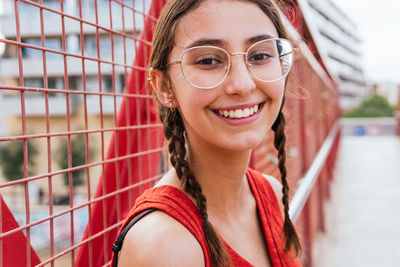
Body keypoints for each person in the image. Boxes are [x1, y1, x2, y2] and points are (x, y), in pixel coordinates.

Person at [112, 0, 302, 266]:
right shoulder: (164, 247)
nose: (243, 85)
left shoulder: (270, 193)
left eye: (260, 56)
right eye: (209, 60)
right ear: (164, 86)